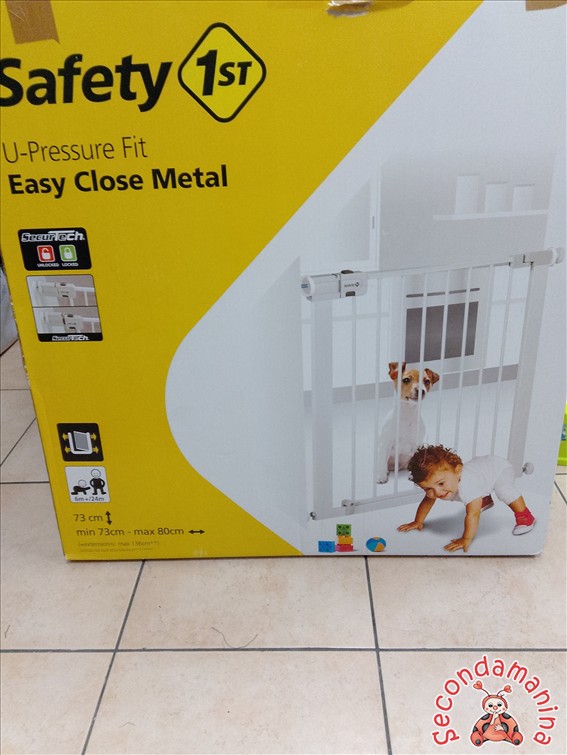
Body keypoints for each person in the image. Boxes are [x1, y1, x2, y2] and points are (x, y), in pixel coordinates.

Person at [397, 445, 536, 552]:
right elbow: (427, 502)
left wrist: (466, 538)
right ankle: (483, 499)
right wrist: (418, 521)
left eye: (441, 484)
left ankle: (526, 517)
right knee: (475, 493)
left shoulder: (467, 485)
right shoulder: (441, 483)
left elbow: (473, 515)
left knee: (504, 491)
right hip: (482, 471)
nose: (437, 492)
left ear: (457, 471)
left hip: (499, 469)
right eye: (428, 488)